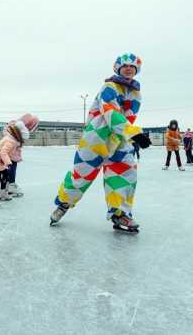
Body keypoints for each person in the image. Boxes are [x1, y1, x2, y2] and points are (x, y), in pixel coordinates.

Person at [49, 53, 151, 233]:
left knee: (125, 174)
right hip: (95, 139)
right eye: (125, 65)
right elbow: (110, 112)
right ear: (118, 68)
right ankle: (64, 203)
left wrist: (130, 137)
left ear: (136, 70)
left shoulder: (136, 94)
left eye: (132, 66)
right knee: (80, 177)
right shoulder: (109, 86)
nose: (128, 68)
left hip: (118, 141)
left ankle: (119, 213)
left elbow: (128, 118)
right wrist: (134, 133)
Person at [0, 121, 28, 207]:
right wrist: (9, 163)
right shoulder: (11, 141)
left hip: (0, 160)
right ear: (20, 137)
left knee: (6, 175)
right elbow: (3, 152)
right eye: (23, 139)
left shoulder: (11, 139)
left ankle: (2, 193)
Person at [6, 114, 39, 198]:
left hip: (9, 153)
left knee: (10, 168)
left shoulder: (13, 126)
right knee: (11, 167)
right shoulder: (18, 128)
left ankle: (8, 186)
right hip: (10, 154)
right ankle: (10, 186)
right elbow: (15, 143)